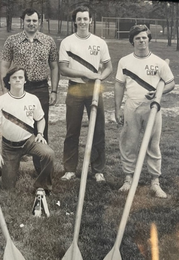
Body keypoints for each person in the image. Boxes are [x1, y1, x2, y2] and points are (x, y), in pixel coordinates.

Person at [114, 24, 175, 198]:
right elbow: (119, 84)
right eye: (138, 38)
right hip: (132, 106)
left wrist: (158, 92)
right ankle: (128, 178)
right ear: (132, 41)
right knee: (129, 143)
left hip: (153, 108)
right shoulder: (124, 61)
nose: (141, 41)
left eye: (144, 37)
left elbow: (171, 82)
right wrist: (117, 108)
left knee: (153, 144)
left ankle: (155, 182)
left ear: (149, 39)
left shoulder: (159, 62)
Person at [1, 8, 59, 174]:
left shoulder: (48, 41)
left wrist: (54, 90)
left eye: (34, 20)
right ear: (23, 21)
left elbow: (54, 66)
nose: (31, 23)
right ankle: (12, 167)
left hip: (40, 88)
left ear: (39, 21)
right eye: (28, 21)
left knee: (41, 126)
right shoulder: (12, 40)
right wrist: (5, 87)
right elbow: (4, 64)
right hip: (19, 88)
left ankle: (41, 169)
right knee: (15, 125)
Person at [59, 6, 112, 182]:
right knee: (72, 130)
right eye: (79, 19)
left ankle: (97, 170)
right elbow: (63, 69)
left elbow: (108, 67)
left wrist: (99, 79)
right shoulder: (67, 42)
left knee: (98, 129)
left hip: (94, 89)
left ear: (90, 20)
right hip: (75, 88)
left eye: (85, 18)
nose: (82, 22)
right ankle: (70, 169)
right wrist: (84, 74)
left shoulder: (99, 42)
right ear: (75, 21)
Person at [0, 67, 55, 195]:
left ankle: (42, 187)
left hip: (29, 141)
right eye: (14, 78)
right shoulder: (1, 101)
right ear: (9, 81)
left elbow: (41, 119)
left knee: (49, 154)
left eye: (21, 77)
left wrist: (40, 134)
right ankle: (0, 176)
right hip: (10, 146)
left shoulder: (33, 99)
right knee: (8, 188)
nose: (18, 80)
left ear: (25, 80)